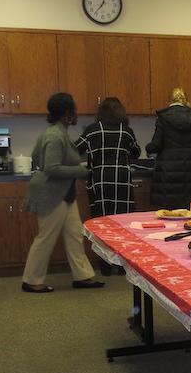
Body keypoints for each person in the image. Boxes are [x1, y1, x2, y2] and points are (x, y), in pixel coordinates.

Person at [20, 92, 103, 293]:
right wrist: (80, 171)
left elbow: (36, 157)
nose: (76, 114)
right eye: (73, 111)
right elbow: (51, 168)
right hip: (52, 195)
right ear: (66, 114)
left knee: (74, 235)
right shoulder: (55, 136)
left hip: (64, 194)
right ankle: (31, 280)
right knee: (45, 238)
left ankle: (82, 276)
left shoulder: (56, 132)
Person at [74, 96, 141, 217]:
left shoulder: (92, 130)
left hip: (99, 178)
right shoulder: (126, 131)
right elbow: (136, 153)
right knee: (123, 217)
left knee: (101, 218)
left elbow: (74, 150)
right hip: (121, 178)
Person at [146, 87, 191, 208]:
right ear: (186, 100)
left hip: (168, 177)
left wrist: (148, 148)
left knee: (169, 217)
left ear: (169, 100)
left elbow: (155, 145)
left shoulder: (163, 118)